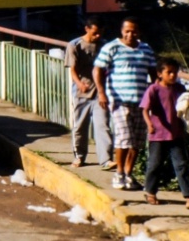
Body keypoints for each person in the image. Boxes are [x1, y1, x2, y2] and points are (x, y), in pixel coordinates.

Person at [95, 18, 159, 192]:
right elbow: (98, 69)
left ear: (139, 32)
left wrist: (156, 96)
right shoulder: (111, 48)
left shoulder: (145, 49)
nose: (130, 34)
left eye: (134, 31)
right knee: (124, 138)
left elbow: (154, 74)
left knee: (136, 141)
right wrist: (102, 93)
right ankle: (119, 173)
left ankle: (129, 174)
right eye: (127, 31)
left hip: (140, 101)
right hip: (119, 100)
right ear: (122, 31)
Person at [140, 59, 189, 206]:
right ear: (160, 74)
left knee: (182, 164)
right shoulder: (154, 89)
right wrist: (149, 124)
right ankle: (150, 192)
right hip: (158, 134)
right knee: (155, 164)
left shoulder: (180, 89)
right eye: (169, 72)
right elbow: (144, 109)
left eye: (175, 72)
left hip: (177, 134)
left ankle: (187, 195)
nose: (173, 75)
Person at [65, 18, 109, 169]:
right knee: (80, 126)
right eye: (95, 33)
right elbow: (73, 69)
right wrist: (79, 83)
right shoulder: (74, 45)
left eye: (100, 34)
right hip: (81, 91)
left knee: (102, 125)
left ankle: (105, 159)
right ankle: (79, 156)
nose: (98, 37)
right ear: (87, 29)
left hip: (100, 91)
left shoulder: (105, 45)